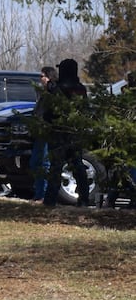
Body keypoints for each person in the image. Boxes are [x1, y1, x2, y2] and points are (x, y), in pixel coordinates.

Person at [39, 57, 92, 207]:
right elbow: (84, 110)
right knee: (78, 166)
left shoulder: (58, 88)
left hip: (58, 133)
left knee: (56, 167)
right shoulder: (81, 89)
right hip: (75, 133)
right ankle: (84, 199)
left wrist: (48, 123)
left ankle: (50, 200)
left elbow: (50, 111)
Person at [29, 65, 56, 202]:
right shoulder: (41, 94)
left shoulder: (53, 92)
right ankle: (38, 193)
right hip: (39, 133)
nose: (40, 79)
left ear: (48, 77)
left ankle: (43, 194)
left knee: (45, 164)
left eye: (42, 76)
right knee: (34, 163)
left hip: (47, 133)